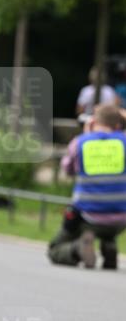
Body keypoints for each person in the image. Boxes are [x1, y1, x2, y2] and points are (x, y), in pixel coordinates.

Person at [48, 104, 126, 270]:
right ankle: (109, 247)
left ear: (93, 121)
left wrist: (86, 134)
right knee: (108, 222)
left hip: (88, 217)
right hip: (121, 219)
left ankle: (77, 249)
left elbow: (67, 169)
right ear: (118, 124)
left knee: (55, 250)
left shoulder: (81, 143)